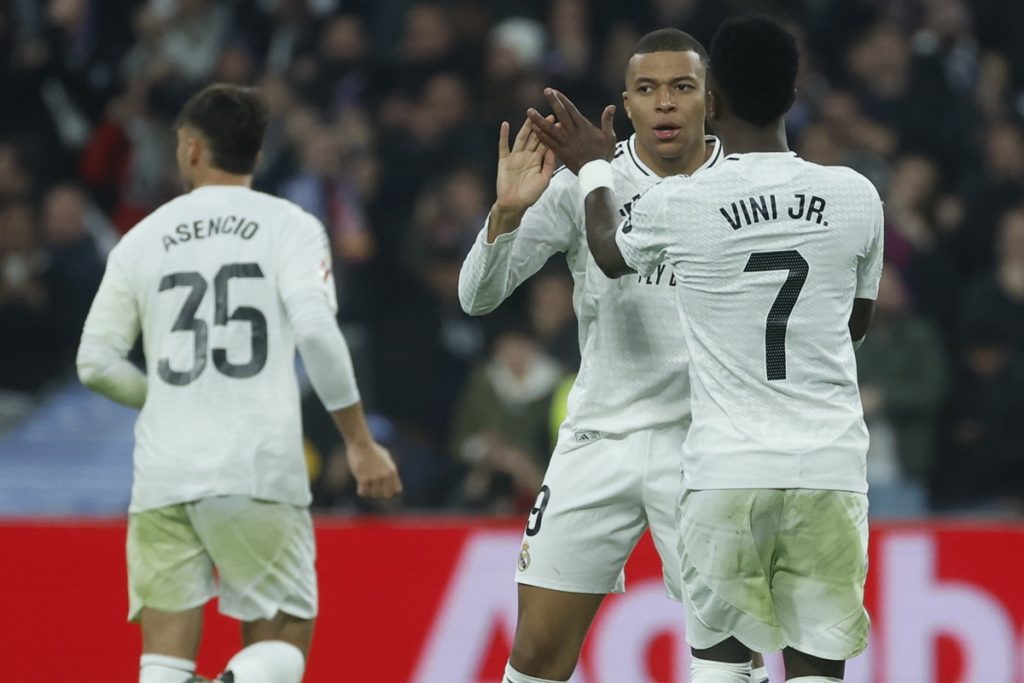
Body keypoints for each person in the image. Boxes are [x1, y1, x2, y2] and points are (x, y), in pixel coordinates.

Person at [528, 15, 882, 683]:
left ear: (710, 98)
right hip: (830, 464)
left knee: (722, 669)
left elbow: (607, 253)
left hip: (726, 468)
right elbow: (853, 322)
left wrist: (596, 167)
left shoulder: (685, 203)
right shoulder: (857, 196)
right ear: (794, 92)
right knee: (816, 672)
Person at [459, 29, 767, 683]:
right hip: (598, 441)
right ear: (626, 104)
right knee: (538, 653)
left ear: (709, 101)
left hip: (704, 448)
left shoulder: (745, 194)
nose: (665, 104)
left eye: (682, 88)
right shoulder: (580, 187)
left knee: (726, 659)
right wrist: (506, 213)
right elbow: (476, 297)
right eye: (648, 89)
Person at [76, 84, 401, 683]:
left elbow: (94, 362)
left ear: (192, 149)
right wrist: (357, 440)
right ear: (255, 152)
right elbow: (318, 332)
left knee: (164, 663)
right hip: (255, 467)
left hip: (162, 474)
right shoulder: (290, 226)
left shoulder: (141, 239)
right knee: (282, 645)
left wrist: (164, 398)